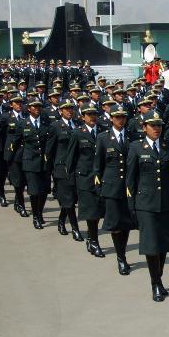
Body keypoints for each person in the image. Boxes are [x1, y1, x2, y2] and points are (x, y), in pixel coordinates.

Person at [126, 109, 169, 302]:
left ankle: (159, 277)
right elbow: (130, 180)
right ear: (144, 127)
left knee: (164, 243)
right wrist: (131, 206)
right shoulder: (136, 147)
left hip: (166, 202)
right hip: (145, 204)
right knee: (151, 244)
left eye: (159, 125)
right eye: (153, 125)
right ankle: (155, 284)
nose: (157, 128)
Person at [93, 106, 136, 275]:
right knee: (116, 224)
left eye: (123, 117)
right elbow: (98, 165)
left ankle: (122, 253)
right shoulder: (104, 138)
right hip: (111, 188)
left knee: (126, 224)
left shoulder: (132, 137)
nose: (120, 120)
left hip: (127, 187)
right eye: (117, 117)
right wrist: (99, 188)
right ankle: (121, 258)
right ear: (111, 118)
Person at [66, 102, 105, 257]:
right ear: (83, 117)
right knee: (91, 212)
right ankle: (94, 242)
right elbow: (71, 159)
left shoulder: (103, 131)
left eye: (95, 114)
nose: (93, 117)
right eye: (89, 115)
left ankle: (91, 237)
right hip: (84, 177)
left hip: (100, 178)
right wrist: (71, 182)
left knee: (98, 211)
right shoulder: (77, 133)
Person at [46, 98, 84, 241]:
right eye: (66, 109)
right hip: (62, 168)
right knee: (68, 199)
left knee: (72, 199)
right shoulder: (55, 126)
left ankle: (61, 220)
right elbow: (49, 150)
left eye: (71, 108)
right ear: (60, 111)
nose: (70, 111)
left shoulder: (79, 125)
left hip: (77, 166)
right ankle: (75, 228)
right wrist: (50, 171)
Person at [18, 98, 51, 229]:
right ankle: (35, 216)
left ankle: (40, 212)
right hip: (30, 162)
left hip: (44, 162)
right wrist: (12, 161)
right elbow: (16, 142)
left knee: (44, 191)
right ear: (29, 108)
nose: (37, 108)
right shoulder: (23, 124)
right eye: (34, 106)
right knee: (34, 191)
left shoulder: (46, 123)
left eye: (39, 106)